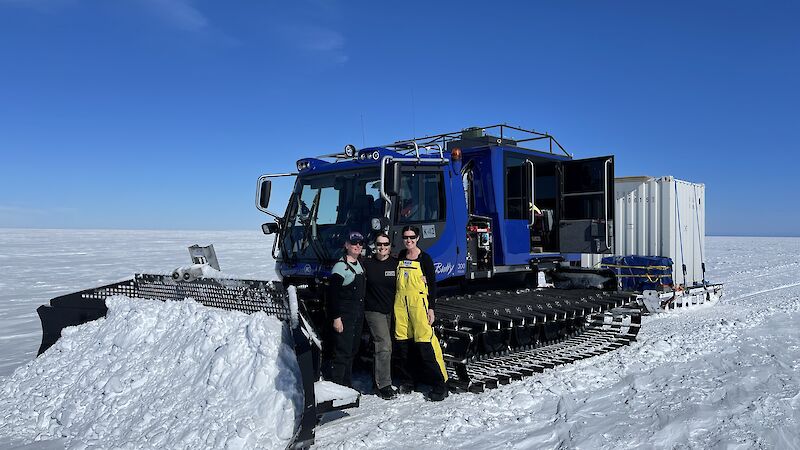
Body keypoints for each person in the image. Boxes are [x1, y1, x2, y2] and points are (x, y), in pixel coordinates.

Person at [394, 225, 449, 401]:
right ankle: (409, 380)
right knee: (403, 344)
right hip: (401, 305)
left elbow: (432, 286)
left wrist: (431, 308)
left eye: (412, 237)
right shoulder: (401, 256)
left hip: (419, 305)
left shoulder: (424, 259)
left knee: (426, 344)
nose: (408, 240)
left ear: (417, 238)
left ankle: (440, 384)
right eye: (406, 237)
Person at [327, 231, 366, 387]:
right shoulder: (340, 267)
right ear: (346, 245)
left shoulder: (359, 265)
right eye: (354, 243)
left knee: (352, 350)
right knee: (342, 351)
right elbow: (333, 296)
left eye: (360, 243)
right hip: (344, 315)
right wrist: (336, 318)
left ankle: (346, 384)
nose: (357, 246)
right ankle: (337, 386)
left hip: (357, 314)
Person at [362, 232, 399, 400]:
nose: (382, 247)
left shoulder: (396, 264)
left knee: (388, 345)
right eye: (379, 244)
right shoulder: (367, 264)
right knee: (384, 344)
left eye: (385, 244)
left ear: (390, 246)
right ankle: (383, 385)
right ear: (374, 246)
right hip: (373, 310)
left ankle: (377, 377)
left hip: (391, 310)